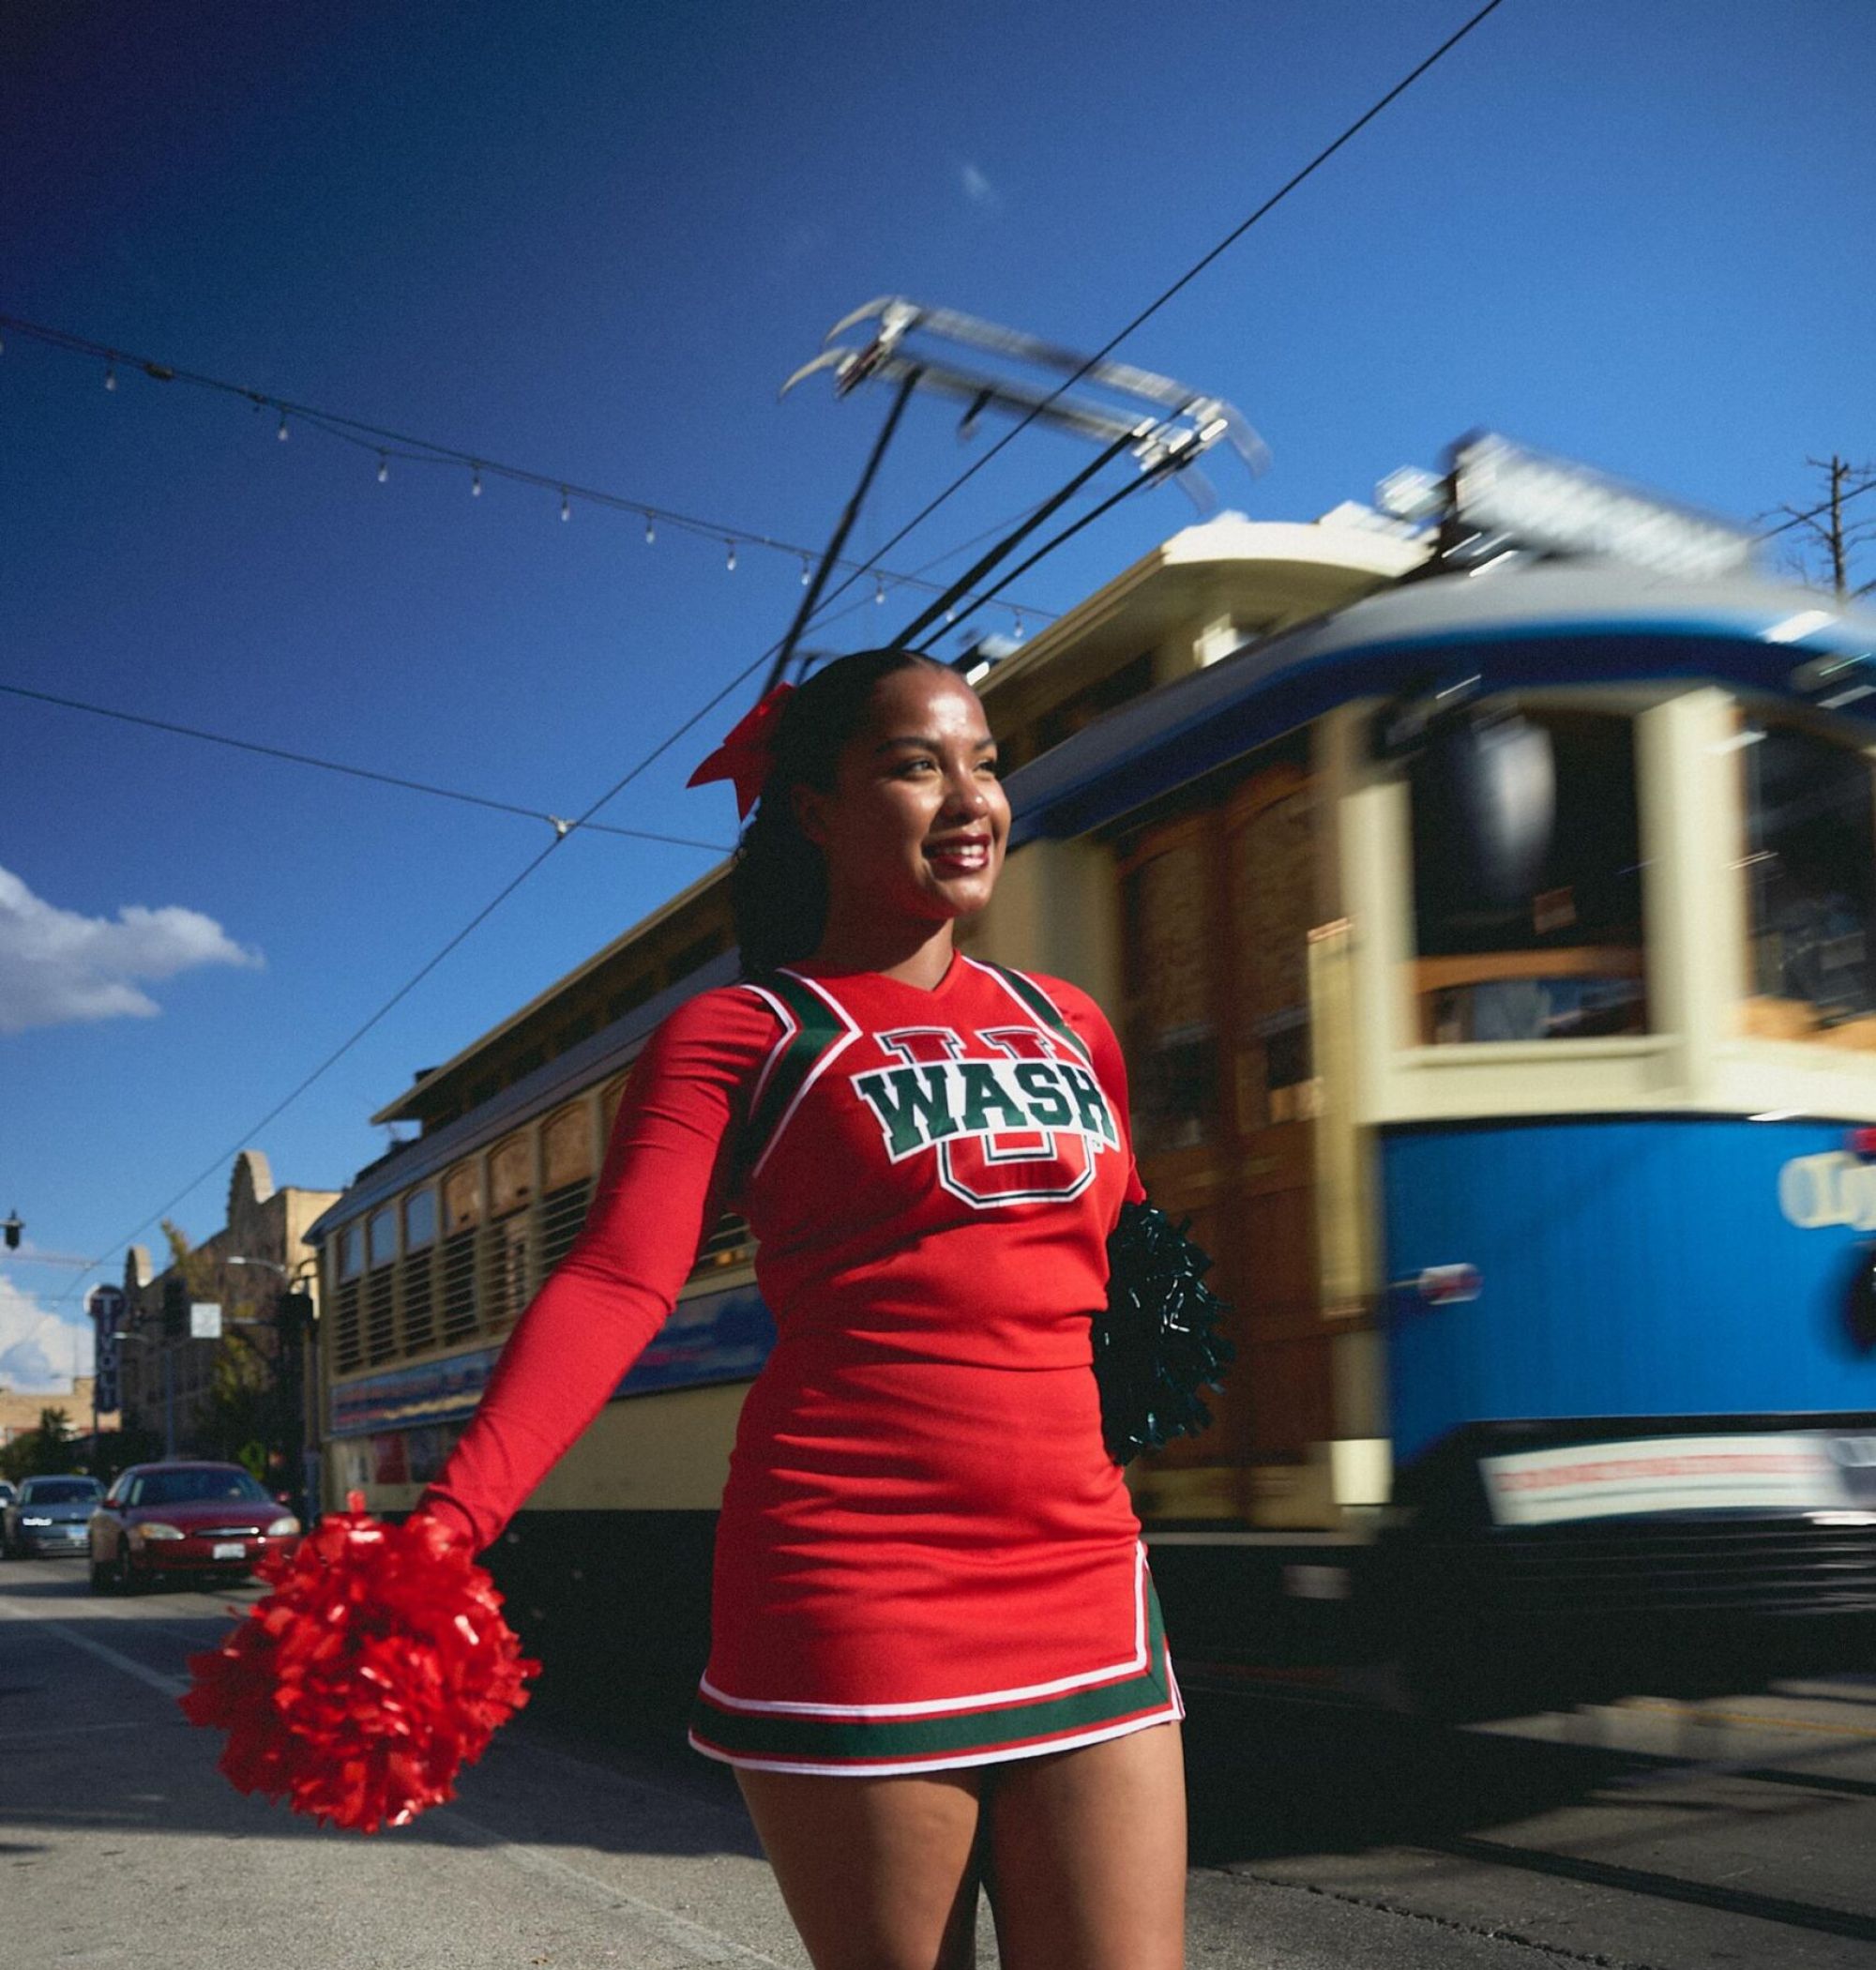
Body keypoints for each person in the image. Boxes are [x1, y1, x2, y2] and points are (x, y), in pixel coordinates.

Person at [416, 647, 1188, 1970]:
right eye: (914, 765)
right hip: (858, 1584)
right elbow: (616, 1280)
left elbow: (1118, 1264)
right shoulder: (745, 1033)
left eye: (985, 764)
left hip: (1083, 1574)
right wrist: (447, 1526)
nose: (968, 799)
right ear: (815, 811)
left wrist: (1162, 1377)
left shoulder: (1070, 1025)